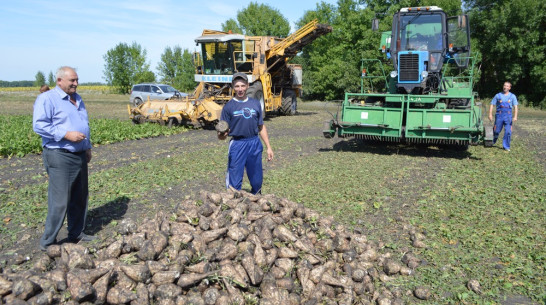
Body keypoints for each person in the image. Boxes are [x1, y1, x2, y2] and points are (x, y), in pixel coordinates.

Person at [33, 66, 96, 251]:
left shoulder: (77, 99)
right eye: (72, 81)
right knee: (60, 200)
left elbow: (84, 124)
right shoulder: (47, 99)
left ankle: (76, 233)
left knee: (80, 196)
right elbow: (39, 125)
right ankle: (48, 243)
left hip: (79, 154)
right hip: (59, 154)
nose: (76, 84)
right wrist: (66, 134)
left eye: (77, 80)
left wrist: (87, 147)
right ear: (59, 81)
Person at [217, 72, 274, 194]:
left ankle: (257, 199)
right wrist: (222, 135)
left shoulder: (255, 104)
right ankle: (233, 204)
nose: (240, 89)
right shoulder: (229, 107)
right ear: (233, 87)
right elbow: (221, 134)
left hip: (254, 143)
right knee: (235, 181)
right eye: (237, 86)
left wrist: (268, 147)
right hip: (238, 145)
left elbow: (261, 127)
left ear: (247, 85)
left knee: (257, 179)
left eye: (242, 85)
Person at [488, 81, 518, 151]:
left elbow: (516, 107)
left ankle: (506, 146)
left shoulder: (512, 96)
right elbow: (492, 104)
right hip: (499, 115)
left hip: (508, 116)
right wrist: (490, 114)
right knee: (496, 131)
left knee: (508, 132)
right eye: (504, 85)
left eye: (507, 86)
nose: (505, 87)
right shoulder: (498, 95)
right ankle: (493, 141)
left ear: (510, 88)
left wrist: (515, 116)